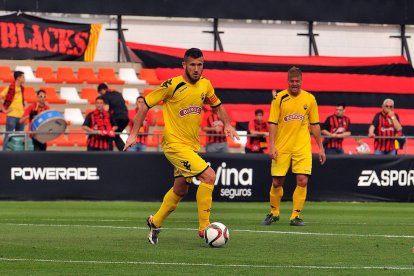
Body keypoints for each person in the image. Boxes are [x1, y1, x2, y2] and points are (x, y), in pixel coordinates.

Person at [124, 48, 239, 244]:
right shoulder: (172, 85)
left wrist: (227, 123)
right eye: (192, 64)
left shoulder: (205, 85)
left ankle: (155, 221)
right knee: (209, 176)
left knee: (180, 189)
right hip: (174, 145)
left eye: (200, 64)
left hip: (191, 145)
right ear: (184, 65)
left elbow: (217, 105)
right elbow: (146, 105)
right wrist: (133, 134)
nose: (196, 69)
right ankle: (205, 227)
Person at [262, 66, 326, 227]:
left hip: (302, 146)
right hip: (282, 146)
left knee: (302, 180)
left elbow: (315, 125)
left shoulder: (310, 99)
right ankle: (274, 213)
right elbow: (272, 124)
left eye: (297, 81)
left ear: (302, 81)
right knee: (277, 182)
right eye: (292, 81)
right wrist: (272, 146)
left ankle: (295, 216)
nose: (295, 84)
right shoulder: (279, 98)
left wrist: (321, 147)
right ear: (288, 81)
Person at [97, 83, 129, 151]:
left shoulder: (105, 96)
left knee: (109, 135)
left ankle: (109, 154)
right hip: (126, 118)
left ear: (102, 90)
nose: (101, 95)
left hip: (117, 118)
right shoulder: (117, 93)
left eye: (100, 93)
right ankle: (125, 151)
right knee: (116, 135)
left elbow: (106, 109)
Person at [0, 71, 26, 150]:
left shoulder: (22, 88)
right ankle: (4, 154)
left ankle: (17, 155)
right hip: (12, 116)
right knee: (8, 136)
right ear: (18, 78)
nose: (24, 79)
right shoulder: (10, 87)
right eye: (23, 77)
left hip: (21, 117)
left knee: (19, 138)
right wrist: (3, 110)